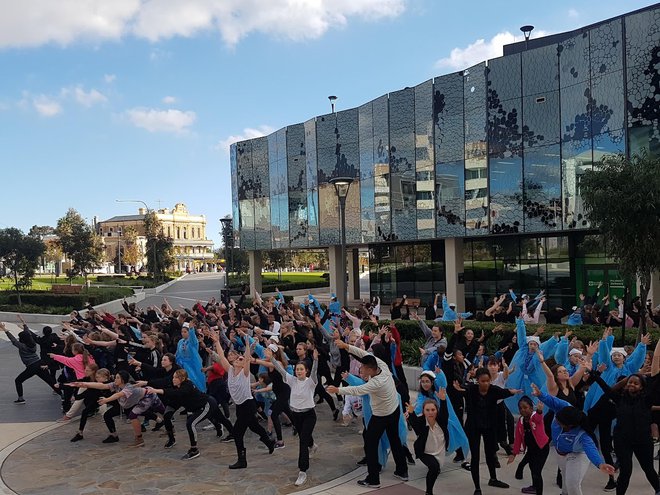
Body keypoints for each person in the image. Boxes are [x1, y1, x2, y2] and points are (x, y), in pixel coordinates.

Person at [327, 339, 409, 489]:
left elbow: (358, 390)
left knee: (370, 443)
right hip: (394, 410)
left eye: (363, 368)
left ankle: (373, 479)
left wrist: (338, 390)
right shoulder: (382, 365)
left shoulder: (376, 383)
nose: (361, 370)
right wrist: (347, 346)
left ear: (371, 369)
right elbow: (363, 353)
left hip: (382, 416)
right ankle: (402, 471)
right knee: (394, 439)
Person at [589, 347, 660, 495]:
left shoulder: (646, 400)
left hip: (643, 441)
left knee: (649, 470)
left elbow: (655, 376)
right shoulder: (619, 399)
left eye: (635, 383)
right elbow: (607, 388)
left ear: (641, 387)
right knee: (625, 473)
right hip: (623, 441)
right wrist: (595, 374)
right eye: (630, 382)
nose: (631, 385)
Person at [531, 383, 615, 495]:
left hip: (577, 455)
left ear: (569, 426)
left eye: (559, 423)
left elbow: (590, 449)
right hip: (560, 453)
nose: (556, 422)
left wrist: (600, 464)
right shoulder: (564, 407)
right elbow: (552, 401)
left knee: (572, 484)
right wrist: (540, 394)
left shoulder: (583, 434)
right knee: (565, 477)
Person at [452, 367, 520, 495]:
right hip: (473, 428)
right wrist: (458, 389)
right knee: (475, 457)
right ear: (477, 380)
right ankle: (477, 488)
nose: (486, 384)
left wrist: (513, 392)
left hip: (489, 427)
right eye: (483, 381)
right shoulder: (471, 389)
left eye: (488, 381)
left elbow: (504, 392)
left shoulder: (493, 390)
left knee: (490, 454)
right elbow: (462, 388)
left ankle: (493, 479)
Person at [213, 331, 275, 469]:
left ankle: (242, 460)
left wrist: (247, 346)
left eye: (240, 360)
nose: (237, 360)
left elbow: (247, 359)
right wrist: (217, 341)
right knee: (254, 426)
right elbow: (221, 356)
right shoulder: (229, 370)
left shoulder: (245, 373)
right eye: (236, 359)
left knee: (237, 432)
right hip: (240, 406)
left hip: (248, 405)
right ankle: (269, 442)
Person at [146, 369, 224, 460]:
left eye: (176, 377)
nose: (173, 379)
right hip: (177, 401)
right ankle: (171, 439)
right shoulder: (170, 379)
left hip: (200, 403)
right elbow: (162, 382)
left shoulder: (187, 384)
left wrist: (156, 390)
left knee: (196, 421)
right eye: (173, 377)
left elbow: (178, 392)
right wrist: (145, 382)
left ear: (182, 378)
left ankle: (194, 449)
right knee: (167, 416)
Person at [271, 347, 320, 486]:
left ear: (306, 371)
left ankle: (302, 471)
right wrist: (272, 358)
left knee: (302, 442)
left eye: (301, 369)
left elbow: (315, 371)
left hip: (309, 415)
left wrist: (315, 359)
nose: (299, 371)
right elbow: (280, 370)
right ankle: (313, 445)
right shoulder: (292, 380)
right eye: (297, 369)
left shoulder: (311, 382)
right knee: (305, 437)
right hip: (296, 415)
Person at [0, 321, 60, 403]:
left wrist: (4, 329)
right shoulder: (33, 344)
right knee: (50, 382)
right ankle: (63, 396)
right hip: (40, 363)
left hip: (32, 366)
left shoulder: (23, 346)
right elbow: (28, 334)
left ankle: (21, 399)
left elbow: (13, 340)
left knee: (18, 380)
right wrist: (24, 326)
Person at [406, 395, 450, 495]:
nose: (430, 412)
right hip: (425, 452)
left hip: (439, 451)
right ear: (423, 411)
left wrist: (443, 400)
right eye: (427, 410)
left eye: (433, 410)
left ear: (437, 410)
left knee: (436, 468)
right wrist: (411, 413)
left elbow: (445, 413)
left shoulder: (442, 421)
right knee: (434, 468)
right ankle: (429, 492)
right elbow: (415, 425)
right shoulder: (421, 422)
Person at [507, 396, 549, 495]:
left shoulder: (535, 416)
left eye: (525, 407)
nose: (523, 410)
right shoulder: (521, 422)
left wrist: (539, 411)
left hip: (542, 448)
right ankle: (534, 487)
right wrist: (513, 454)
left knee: (536, 472)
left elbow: (538, 419)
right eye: (520, 408)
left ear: (531, 408)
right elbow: (518, 439)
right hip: (531, 449)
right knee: (531, 467)